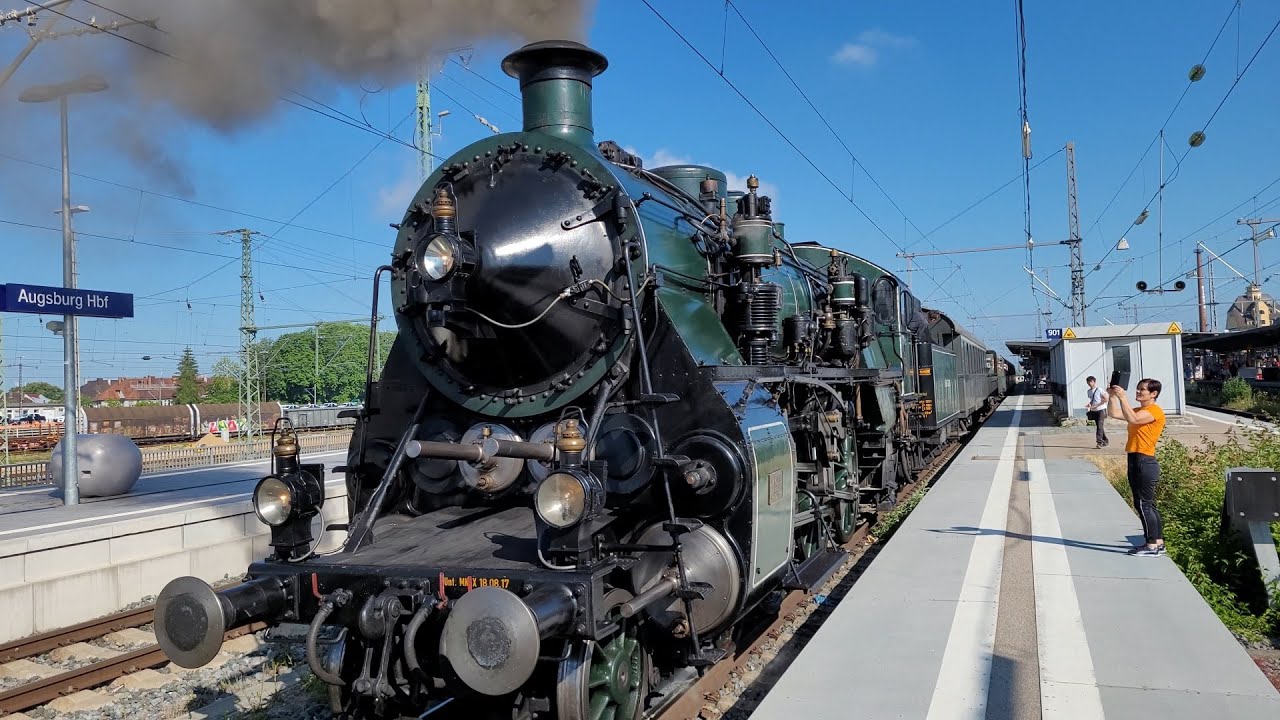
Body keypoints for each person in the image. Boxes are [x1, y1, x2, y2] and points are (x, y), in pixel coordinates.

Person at [1108, 378, 1166, 556]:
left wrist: (1123, 397)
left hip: (1144, 461)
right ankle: (1158, 542)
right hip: (1136, 459)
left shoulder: (1154, 411)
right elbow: (1114, 414)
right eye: (1138, 389)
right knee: (1148, 504)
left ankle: (1151, 546)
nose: (1138, 392)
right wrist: (1112, 396)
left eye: (1143, 390)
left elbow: (1132, 419)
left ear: (1153, 394)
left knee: (1143, 505)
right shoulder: (1141, 410)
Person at [1085, 376, 1108, 448]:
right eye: (1088, 382)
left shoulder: (1099, 390)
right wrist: (1090, 405)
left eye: (1090, 381)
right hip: (1094, 410)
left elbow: (1106, 399)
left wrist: (1097, 405)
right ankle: (1105, 440)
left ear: (1094, 382)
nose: (1089, 383)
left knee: (1099, 425)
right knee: (1099, 426)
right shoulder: (1089, 391)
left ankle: (1099, 442)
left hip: (1101, 409)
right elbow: (1092, 399)